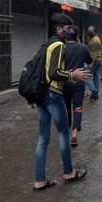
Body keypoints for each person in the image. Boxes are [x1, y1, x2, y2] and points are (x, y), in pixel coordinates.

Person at [33, 13, 91, 191]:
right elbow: (54, 73)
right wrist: (74, 75)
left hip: (41, 95)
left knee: (43, 137)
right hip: (52, 94)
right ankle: (69, 172)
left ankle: (40, 180)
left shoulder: (47, 44)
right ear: (59, 29)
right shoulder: (58, 44)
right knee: (64, 133)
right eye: (67, 28)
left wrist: (67, 79)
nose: (70, 31)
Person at [63, 25, 92, 147]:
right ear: (77, 35)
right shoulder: (82, 47)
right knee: (78, 107)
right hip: (79, 80)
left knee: (67, 107)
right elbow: (89, 61)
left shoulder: (62, 48)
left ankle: (68, 131)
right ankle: (75, 132)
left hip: (65, 80)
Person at [85, 26, 102, 99]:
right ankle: (96, 93)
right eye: (89, 31)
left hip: (94, 61)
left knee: (87, 75)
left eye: (91, 31)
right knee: (95, 76)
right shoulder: (95, 39)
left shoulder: (94, 41)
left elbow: (93, 53)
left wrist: (91, 63)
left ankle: (93, 90)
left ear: (95, 31)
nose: (89, 32)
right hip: (98, 60)